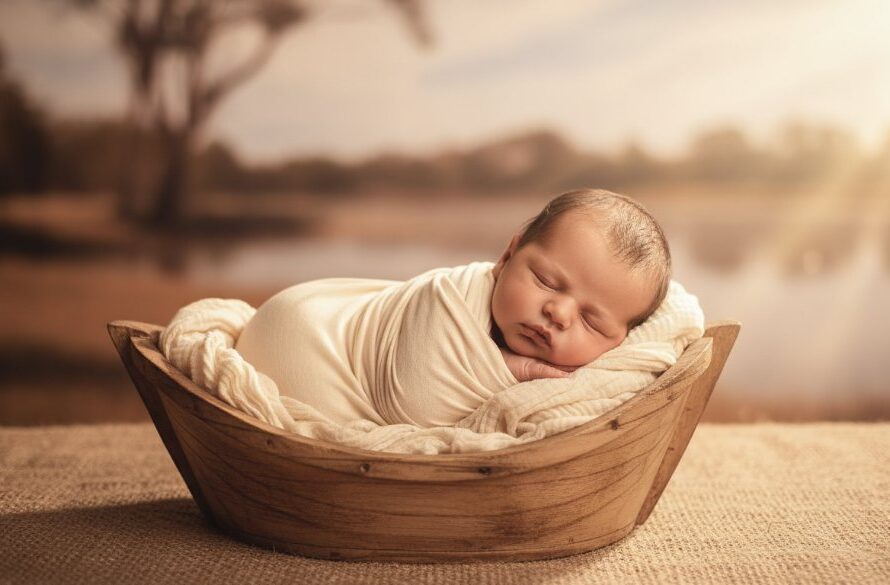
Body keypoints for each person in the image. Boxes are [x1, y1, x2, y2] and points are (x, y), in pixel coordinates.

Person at [491, 188, 671, 382]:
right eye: (545, 281)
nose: (559, 314)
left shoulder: (600, 384)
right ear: (507, 257)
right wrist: (499, 366)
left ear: (621, 343)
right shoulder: (459, 297)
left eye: (590, 322)